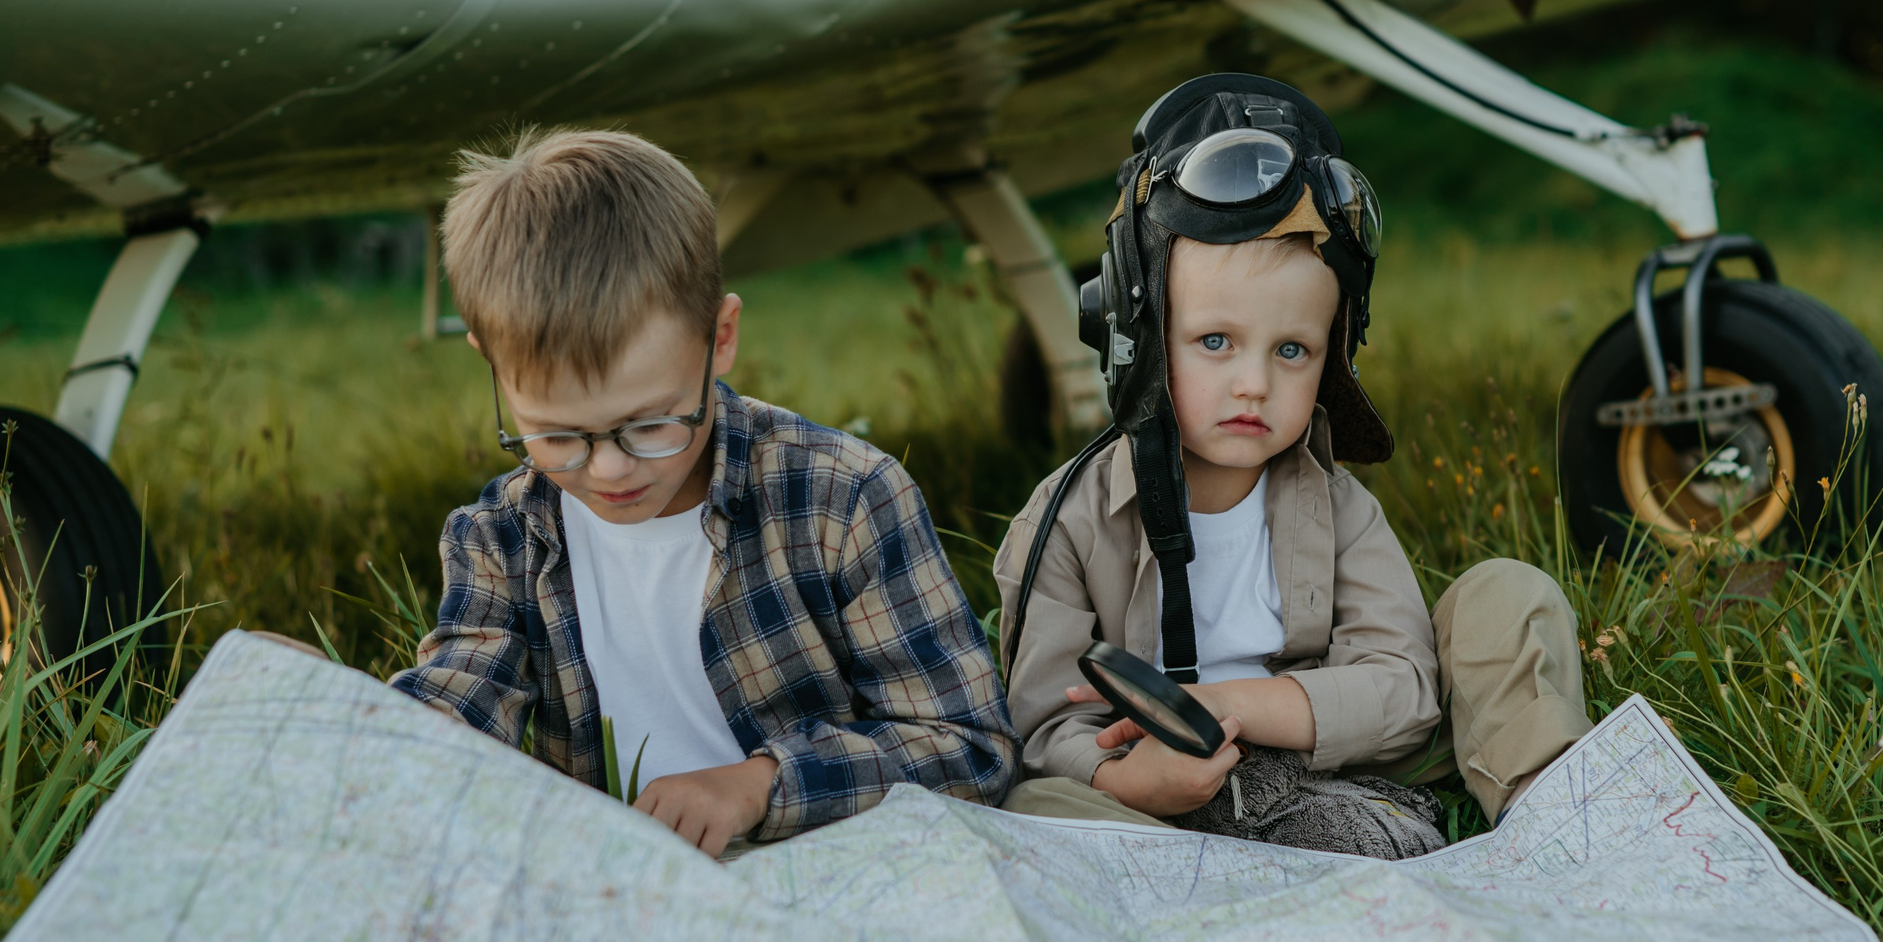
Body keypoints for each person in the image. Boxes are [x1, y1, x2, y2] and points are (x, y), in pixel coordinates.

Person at [992, 74, 1589, 858]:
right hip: (1154, 777)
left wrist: (1228, 704)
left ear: (1332, 356)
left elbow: (1403, 690)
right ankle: (1184, 858)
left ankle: (1559, 826)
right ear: (1136, 331)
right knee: (1037, 802)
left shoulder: (1338, 506)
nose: (1254, 383)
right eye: (1214, 341)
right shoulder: (1067, 520)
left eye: (1291, 350)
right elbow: (1044, 723)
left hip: (1334, 750)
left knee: (1506, 595)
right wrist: (1128, 783)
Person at [382, 127, 1016, 856]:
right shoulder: (498, 539)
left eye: (651, 423)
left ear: (720, 336)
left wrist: (758, 785)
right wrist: (343, 718)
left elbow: (969, 747)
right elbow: (456, 713)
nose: (611, 470)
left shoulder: (843, 499)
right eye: (559, 436)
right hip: (631, 892)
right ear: (490, 363)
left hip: (832, 860)